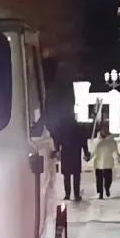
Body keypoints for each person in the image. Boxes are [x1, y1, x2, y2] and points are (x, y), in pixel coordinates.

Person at [43, 56, 88, 202]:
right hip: (74, 153)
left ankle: (70, 194)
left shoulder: (64, 126)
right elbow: (82, 140)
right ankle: (75, 194)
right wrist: (86, 151)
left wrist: (56, 149)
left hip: (68, 153)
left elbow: (59, 138)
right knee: (74, 175)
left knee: (68, 175)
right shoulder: (76, 126)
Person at [92, 125, 119, 198]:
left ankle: (107, 188)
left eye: (105, 130)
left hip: (108, 163)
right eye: (103, 130)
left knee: (108, 180)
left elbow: (115, 151)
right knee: (99, 180)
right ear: (100, 131)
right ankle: (100, 193)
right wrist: (88, 157)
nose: (104, 131)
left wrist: (117, 158)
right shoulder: (96, 141)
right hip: (98, 164)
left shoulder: (111, 141)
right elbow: (93, 152)